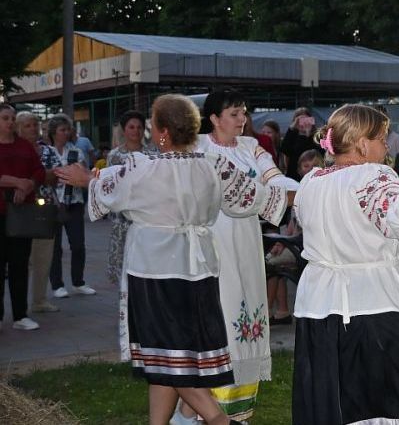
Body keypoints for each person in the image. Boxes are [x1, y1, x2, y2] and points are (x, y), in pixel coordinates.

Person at [56, 93, 287, 425]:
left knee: (166, 358)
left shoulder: (143, 169)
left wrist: (86, 178)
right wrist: (313, 191)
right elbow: (258, 197)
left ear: (162, 132)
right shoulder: (214, 166)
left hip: (156, 277)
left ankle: (219, 420)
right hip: (201, 272)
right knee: (167, 359)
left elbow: (109, 186)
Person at [291, 104, 399, 425]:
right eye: (382, 139)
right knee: (382, 402)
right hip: (372, 304)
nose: (387, 146)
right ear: (362, 143)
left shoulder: (311, 181)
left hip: (317, 305)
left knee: (330, 399)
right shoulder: (372, 176)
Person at [190, 89, 292, 423]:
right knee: (216, 318)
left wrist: (311, 188)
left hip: (246, 242)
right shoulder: (197, 147)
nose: (242, 119)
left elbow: (277, 181)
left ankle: (237, 411)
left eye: (244, 112)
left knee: (245, 315)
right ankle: (201, 409)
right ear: (214, 118)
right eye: (233, 113)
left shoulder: (251, 147)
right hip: (209, 243)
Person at [0, 103, 46, 331]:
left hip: (21, 214)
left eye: (12, 118)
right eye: (5, 118)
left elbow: (39, 171)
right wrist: (18, 182)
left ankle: (20, 315)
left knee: (19, 264)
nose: (10, 122)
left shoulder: (24, 146)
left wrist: (29, 184)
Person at [265, 148, 322, 325]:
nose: (310, 169)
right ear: (299, 169)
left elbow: (305, 229)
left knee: (268, 265)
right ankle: (281, 310)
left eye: (315, 165)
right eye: (306, 166)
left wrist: (284, 242)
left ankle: (267, 313)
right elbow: (292, 225)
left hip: (307, 246)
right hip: (294, 242)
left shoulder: (318, 191)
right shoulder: (299, 190)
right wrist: (280, 243)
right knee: (272, 259)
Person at [15, 111, 60, 314]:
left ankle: (39, 300)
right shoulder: (14, 149)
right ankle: (20, 304)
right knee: (22, 259)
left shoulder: (48, 150)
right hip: (20, 209)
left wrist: (32, 178)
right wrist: (41, 176)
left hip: (45, 209)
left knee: (44, 256)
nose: (33, 128)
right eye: (27, 125)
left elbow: (57, 175)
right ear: (18, 129)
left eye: (35, 124)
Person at [46, 114, 95, 298]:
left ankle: (78, 282)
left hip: (74, 202)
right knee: (55, 247)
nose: (66, 133)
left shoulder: (76, 151)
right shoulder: (47, 151)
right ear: (53, 132)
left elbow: (84, 173)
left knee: (78, 244)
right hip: (53, 203)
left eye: (68, 129)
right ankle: (57, 284)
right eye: (62, 130)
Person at [105, 110, 154, 286]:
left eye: (139, 127)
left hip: (146, 218)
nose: (136, 131)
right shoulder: (114, 155)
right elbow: (110, 186)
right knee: (123, 268)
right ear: (124, 130)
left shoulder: (153, 153)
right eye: (131, 127)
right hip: (122, 219)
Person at [280, 107, 322, 180]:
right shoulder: (292, 135)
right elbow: (284, 149)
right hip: (294, 174)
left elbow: (317, 152)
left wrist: (308, 134)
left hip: (313, 174)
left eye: (306, 119)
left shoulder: (317, 136)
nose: (303, 123)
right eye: (300, 120)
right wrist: (292, 128)